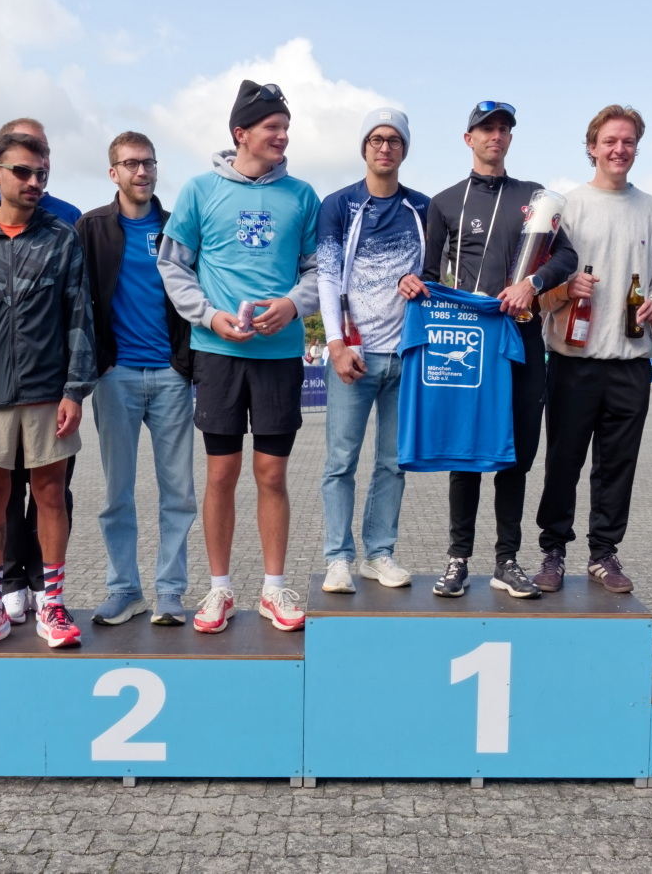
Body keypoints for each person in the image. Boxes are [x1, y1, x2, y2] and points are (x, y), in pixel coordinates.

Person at [158, 80, 320, 633]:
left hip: (280, 355)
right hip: (217, 352)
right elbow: (173, 265)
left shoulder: (302, 195)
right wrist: (209, 316)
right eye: (272, 127)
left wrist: (293, 306)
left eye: (286, 127)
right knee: (221, 473)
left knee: (271, 473)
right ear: (240, 133)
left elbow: (317, 270)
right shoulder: (199, 190)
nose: (282, 136)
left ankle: (273, 589)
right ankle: (219, 589)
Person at [399, 101, 577, 600]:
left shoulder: (534, 199)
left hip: (521, 336)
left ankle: (507, 560)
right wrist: (410, 283)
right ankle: (457, 558)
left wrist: (532, 284)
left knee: (515, 452)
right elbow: (428, 274)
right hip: (470, 342)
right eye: (486, 129)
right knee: (467, 448)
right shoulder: (444, 202)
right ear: (468, 139)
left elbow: (567, 256)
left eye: (503, 129)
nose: (495, 136)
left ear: (510, 138)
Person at [0, 132, 95, 652]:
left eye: (42, 174)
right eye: (23, 172)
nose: (34, 182)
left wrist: (75, 390)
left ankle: (52, 602)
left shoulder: (61, 237)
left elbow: (80, 315)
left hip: (48, 390)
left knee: (51, 494)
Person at [533, 105, 652, 594]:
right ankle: (553, 550)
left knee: (617, 467)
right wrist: (564, 289)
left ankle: (603, 553)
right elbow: (539, 287)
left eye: (628, 141)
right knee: (563, 463)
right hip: (572, 362)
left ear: (637, 148)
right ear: (592, 147)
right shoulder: (568, 207)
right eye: (610, 141)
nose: (619, 149)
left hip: (631, 363)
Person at [77, 131, 196, 627]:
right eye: (131, 164)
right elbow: (77, 300)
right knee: (116, 495)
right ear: (114, 172)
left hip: (171, 376)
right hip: (116, 376)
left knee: (179, 494)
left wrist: (185, 363)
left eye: (148, 162)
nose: (142, 171)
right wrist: (97, 362)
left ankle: (170, 592)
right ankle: (125, 590)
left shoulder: (177, 226)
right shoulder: (91, 227)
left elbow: (198, 292)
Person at [317, 108, 429, 593]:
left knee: (393, 464)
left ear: (404, 149)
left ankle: (378, 553)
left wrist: (422, 284)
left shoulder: (422, 208)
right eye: (376, 139)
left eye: (394, 140)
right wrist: (336, 343)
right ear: (364, 147)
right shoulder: (339, 205)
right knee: (340, 462)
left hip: (406, 356)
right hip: (354, 356)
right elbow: (326, 276)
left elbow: (437, 275)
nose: (385, 147)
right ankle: (338, 558)